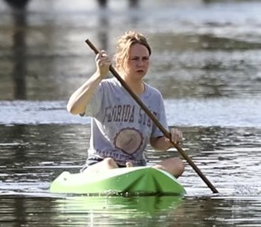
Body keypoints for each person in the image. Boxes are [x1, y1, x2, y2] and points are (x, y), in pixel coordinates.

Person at [66, 31, 185, 177]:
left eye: (145, 59)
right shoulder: (104, 88)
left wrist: (169, 140)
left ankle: (140, 176)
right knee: (109, 163)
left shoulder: (154, 97)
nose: (140, 64)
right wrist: (99, 74)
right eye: (134, 59)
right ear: (120, 61)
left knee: (177, 164)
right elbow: (73, 108)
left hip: (136, 166)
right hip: (100, 164)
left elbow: (156, 143)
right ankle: (129, 177)